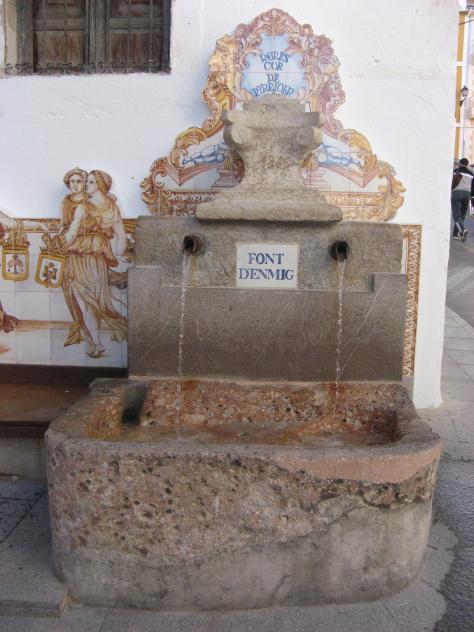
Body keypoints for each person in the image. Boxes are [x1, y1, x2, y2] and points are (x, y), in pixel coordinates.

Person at [55, 169, 127, 357]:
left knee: (88, 302)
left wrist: (58, 245)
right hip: (89, 256)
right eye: (85, 182)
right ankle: (94, 342)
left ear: (100, 185)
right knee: (89, 302)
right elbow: (121, 236)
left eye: (90, 182)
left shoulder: (88, 206)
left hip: (82, 256)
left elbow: (72, 233)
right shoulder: (104, 205)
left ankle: (94, 342)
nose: (85, 185)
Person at [451, 157, 474, 241]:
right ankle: (457, 234)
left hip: (457, 193)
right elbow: (473, 186)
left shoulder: (455, 171)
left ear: (460, 163)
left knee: (456, 215)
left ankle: (463, 230)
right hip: (467, 194)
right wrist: (471, 195)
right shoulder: (471, 173)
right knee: (462, 216)